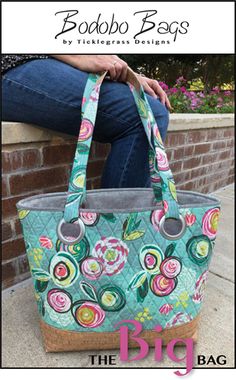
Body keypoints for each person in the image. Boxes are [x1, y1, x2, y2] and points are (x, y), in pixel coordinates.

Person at [2, 54, 171, 188]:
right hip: (11, 64)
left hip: (48, 60)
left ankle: (119, 225)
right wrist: (79, 56)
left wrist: (125, 72)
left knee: (149, 109)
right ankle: (119, 228)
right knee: (145, 116)